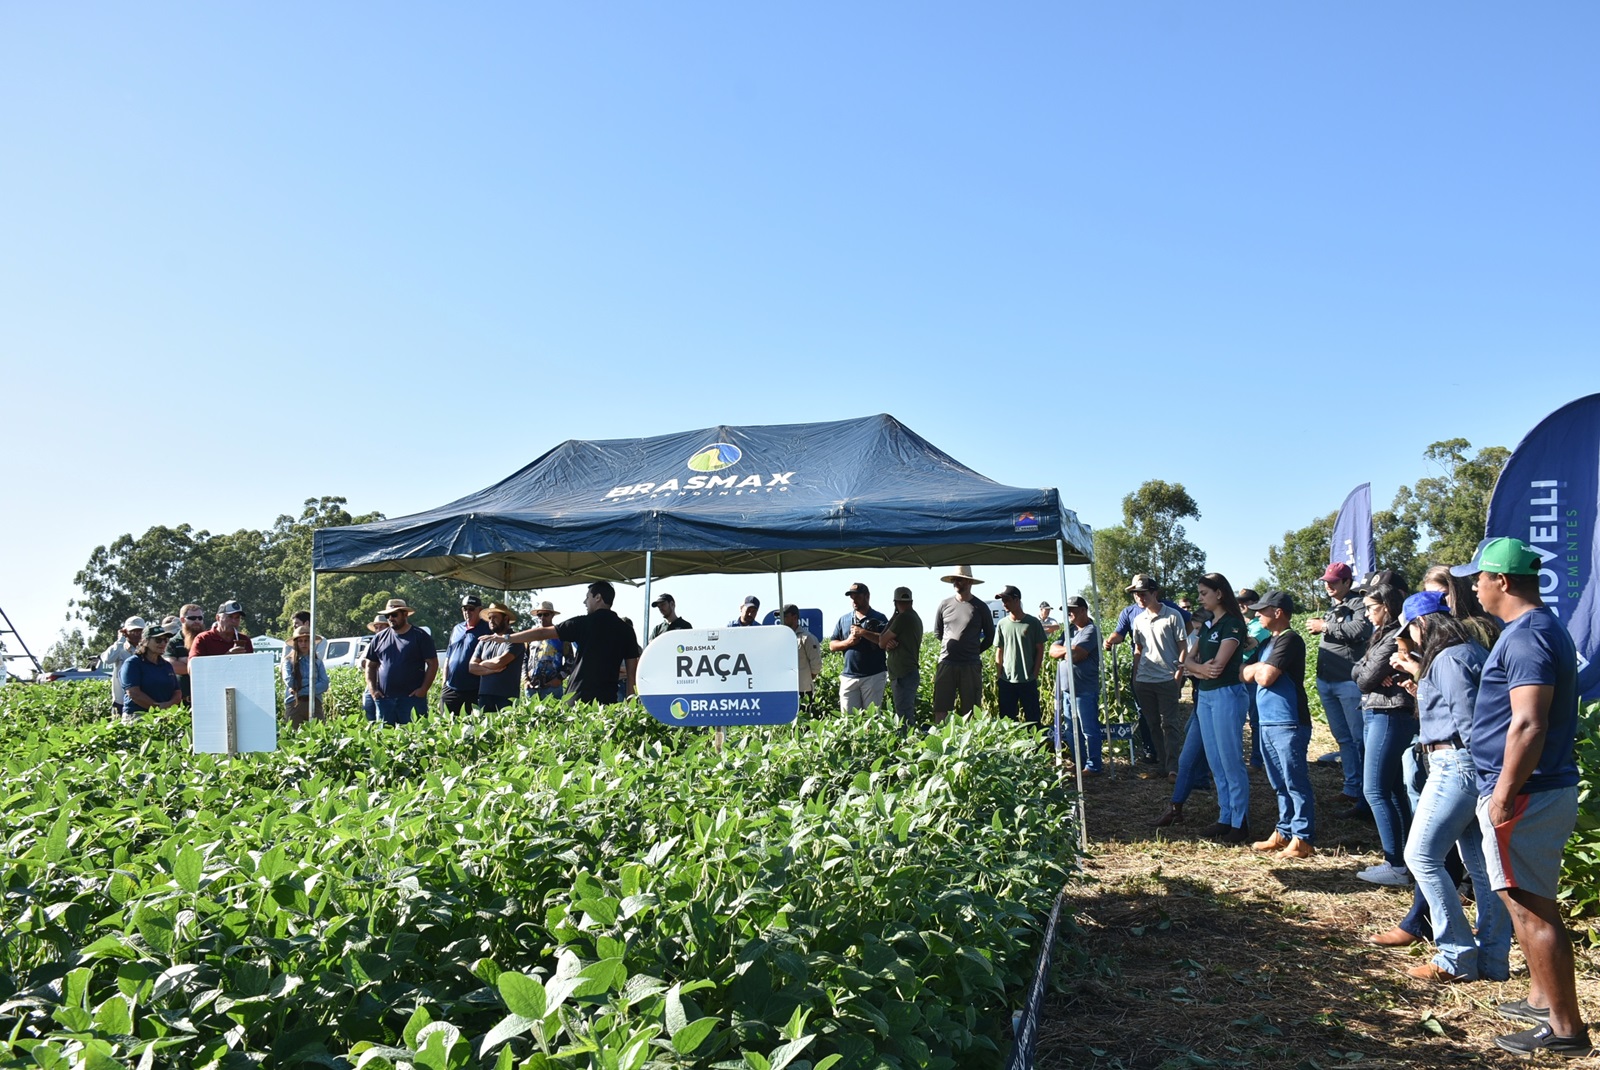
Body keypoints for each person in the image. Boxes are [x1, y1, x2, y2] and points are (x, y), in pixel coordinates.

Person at [1452, 538, 1590, 1056]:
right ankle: (1541, 999)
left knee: (1532, 909)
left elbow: (1529, 723)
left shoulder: (1528, 636)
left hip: (1526, 793)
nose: (1474, 587)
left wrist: (1504, 795)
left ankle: (1565, 1030)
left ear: (1502, 581)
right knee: (1523, 900)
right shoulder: (1536, 629)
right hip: (1533, 789)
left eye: (1479, 578)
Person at [1383, 591, 1509, 983]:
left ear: (1421, 624)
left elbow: (1469, 721)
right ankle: (1491, 961)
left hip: (1457, 764)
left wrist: (1486, 776)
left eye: (1409, 630)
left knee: (1420, 856)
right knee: (1481, 867)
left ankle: (1455, 955)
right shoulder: (1469, 651)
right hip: (1467, 764)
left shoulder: (1450, 658)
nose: (1410, 638)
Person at [1351, 583, 1418, 885]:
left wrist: (1368, 671)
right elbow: (1357, 670)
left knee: (1375, 790)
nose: (1367, 614)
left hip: (1389, 713)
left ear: (1387, 607)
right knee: (1390, 789)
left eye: (1371, 608)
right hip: (1378, 711)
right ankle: (1403, 861)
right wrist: (1369, 668)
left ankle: (1397, 864)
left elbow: (1364, 680)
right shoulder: (1381, 636)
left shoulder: (1394, 637)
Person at [1241, 592, 1315, 859]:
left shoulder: (1290, 639)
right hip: (1267, 722)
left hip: (1289, 722)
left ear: (1278, 612)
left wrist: (1259, 669)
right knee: (1279, 782)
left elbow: (1266, 678)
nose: (1257, 615)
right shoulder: (1267, 643)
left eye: (1262, 610)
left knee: (1295, 781)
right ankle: (1284, 832)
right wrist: (1259, 667)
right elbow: (1243, 672)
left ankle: (1303, 838)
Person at [1182, 574, 1251, 844]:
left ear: (1219, 593)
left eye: (1204, 593)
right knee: (1214, 760)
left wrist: (1195, 669)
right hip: (1206, 696)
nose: (1200, 598)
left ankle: (1240, 821)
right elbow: (1188, 660)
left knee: (1230, 759)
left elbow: (1218, 667)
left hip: (1226, 694)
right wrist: (1199, 668)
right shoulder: (1209, 625)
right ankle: (1225, 816)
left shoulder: (1232, 624)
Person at [501, 581, 641, 705]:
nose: (585, 602)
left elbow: (542, 633)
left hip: (577, 698)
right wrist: (631, 706)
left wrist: (507, 638)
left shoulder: (582, 623)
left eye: (587, 597)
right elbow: (632, 674)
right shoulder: (626, 630)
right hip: (607, 700)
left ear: (598, 597)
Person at [1308, 563, 1372, 811]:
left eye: (1334, 581)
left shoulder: (1358, 604)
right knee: (1344, 738)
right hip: (1327, 680)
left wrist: (1325, 627)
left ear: (1347, 582)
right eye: (1326, 581)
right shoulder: (1334, 606)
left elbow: (1360, 630)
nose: (1328, 585)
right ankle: (1351, 788)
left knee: (1358, 738)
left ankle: (1366, 793)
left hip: (1348, 681)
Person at [1127, 576, 1188, 778]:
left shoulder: (1173, 616)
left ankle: (1173, 767)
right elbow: (1138, 649)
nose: (1139, 598)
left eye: (1143, 594)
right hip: (1144, 679)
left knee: (1170, 724)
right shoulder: (1138, 620)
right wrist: (1136, 676)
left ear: (1154, 593)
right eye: (1136, 595)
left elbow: (1183, 646)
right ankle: (1163, 764)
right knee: (1152, 724)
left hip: (1167, 678)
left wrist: (1178, 674)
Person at [931, 565, 994, 719]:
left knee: (971, 711)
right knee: (941, 707)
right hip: (946, 663)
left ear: (969, 582)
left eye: (960, 580)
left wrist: (973, 650)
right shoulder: (944, 604)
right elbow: (938, 632)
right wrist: (951, 647)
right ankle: (941, 734)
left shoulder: (980, 607)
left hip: (970, 665)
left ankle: (969, 735)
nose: (956, 582)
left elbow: (990, 637)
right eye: (954, 580)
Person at [363, 599, 438, 725]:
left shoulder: (420, 636)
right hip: (385, 700)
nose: (390, 618)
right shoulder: (379, 638)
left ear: (405, 614)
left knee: (415, 735)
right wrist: (373, 690)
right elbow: (370, 666)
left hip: (412, 700)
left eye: (394, 614)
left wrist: (423, 689)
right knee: (385, 736)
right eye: (388, 615)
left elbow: (433, 664)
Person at [1048, 595, 1102, 772]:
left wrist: (1068, 651)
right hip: (1067, 690)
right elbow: (1052, 651)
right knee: (1071, 730)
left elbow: (1077, 655)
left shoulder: (1091, 631)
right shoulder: (1069, 631)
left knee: (1088, 729)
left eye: (1071, 610)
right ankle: (1079, 763)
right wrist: (1068, 650)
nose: (1068, 613)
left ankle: (1093, 766)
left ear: (1083, 610)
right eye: (1066, 610)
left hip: (1084, 689)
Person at [828, 582, 889, 713]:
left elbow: (886, 641)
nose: (854, 600)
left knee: (871, 718)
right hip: (849, 676)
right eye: (852, 597)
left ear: (867, 596)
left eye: (857, 597)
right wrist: (848, 642)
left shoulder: (880, 618)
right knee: (848, 719)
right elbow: (832, 645)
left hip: (873, 675)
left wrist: (864, 633)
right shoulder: (843, 620)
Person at [993, 586, 1047, 727]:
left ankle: (1034, 742)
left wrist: (1035, 673)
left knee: (1033, 721)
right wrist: (999, 675)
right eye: (1003, 601)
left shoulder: (1033, 623)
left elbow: (1040, 649)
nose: (1004, 604)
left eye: (1007, 600)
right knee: (1007, 722)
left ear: (1017, 600)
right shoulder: (1002, 624)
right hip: (1007, 680)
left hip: (1028, 680)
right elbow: (999, 650)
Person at [881, 587, 925, 730]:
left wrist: (893, 617)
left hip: (903, 674)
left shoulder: (903, 618)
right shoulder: (914, 617)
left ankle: (907, 742)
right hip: (907, 672)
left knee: (904, 717)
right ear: (911, 601)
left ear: (895, 602)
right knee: (905, 713)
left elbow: (881, 641)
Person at [469, 603, 525, 713]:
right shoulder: (484, 641)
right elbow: (472, 667)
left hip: (506, 697)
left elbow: (500, 662)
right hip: (484, 695)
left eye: (495, 617)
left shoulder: (515, 640)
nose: (491, 620)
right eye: (489, 618)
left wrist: (482, 664)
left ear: (506, 619)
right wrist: (491, 670)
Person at [119, 622, 181, 721]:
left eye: (165, 640)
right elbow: (134, 693)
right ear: (145, 641)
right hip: (138, 716)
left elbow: (177, 692)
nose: (163, 643)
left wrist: (167, 706)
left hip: (165, 715)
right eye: (158, 640)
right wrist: (157, 707)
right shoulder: (132, 663)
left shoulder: (166, 665)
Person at [442, 594, 490, 715]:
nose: (467, 612)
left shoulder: (487, 629)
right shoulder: (457, 628)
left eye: (471, 609)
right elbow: (448, 658)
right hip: (450, 688)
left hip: (473, 690)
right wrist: (444, 684)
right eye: (464, 609)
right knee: (445, 723)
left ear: (480, 610)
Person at [281, 625, 330, 727]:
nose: (303, 643)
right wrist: (312, 685)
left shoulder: (317, 662)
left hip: (314, 702)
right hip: (294, 703)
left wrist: (300, 690)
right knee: (293, 734)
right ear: (296, 643)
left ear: (311, 642)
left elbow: (324, 684)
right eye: (300, 641)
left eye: (306, 640)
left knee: (318, 733)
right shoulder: (288, 661)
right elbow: (289, 681)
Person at [523, 601, 569, 700]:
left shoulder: (561, 636)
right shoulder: (531, 635)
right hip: (531, 687)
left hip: (552, 688)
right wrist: (525, 680)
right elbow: (524, 659)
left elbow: (571, 661)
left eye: (546, 614)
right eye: (539, 615)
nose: (542, 617)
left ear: (552, 615)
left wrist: (559, 679)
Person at [102, 617, 146, 715]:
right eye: (133, 631)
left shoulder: (148, 649)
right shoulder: (119, 649)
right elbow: (108, 659)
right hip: (121, 702)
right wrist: (120, 640)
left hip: (143, 701)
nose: (136, 634)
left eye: (139, 631)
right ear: (125, 632)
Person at [784, 604, 823, 711]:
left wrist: (806, 678)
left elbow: (816, 665)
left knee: (803, 719)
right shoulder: (781, 638)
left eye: (785, 616)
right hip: (785, 689)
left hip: (803, 689)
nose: (781, 619)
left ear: (795, 617)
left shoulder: (807, 638)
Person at [165, 603, 206, 706]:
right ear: (182, 620)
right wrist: (203, 665)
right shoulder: (173, 642)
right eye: (192, 618)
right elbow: (171, 667)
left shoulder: (208, 640)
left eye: (200, 618)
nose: (197, 621)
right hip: (183, 701)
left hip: (206, 696)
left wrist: (184, 661)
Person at [190, 600, 255, 658]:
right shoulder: (203, 639)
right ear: (218, 618)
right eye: (230, 617)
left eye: (237, 617)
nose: (234, 621)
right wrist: (228, 657)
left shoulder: (244, 640)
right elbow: (193, 665)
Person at [361, 612, 389, 720]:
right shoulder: (371, 645)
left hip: (386, 686)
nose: (378, 630)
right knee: (369, 713)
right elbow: (362, 663)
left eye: (381, 626)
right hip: (371, 685)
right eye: (376, 627)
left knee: (382, 717)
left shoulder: (393, 643)